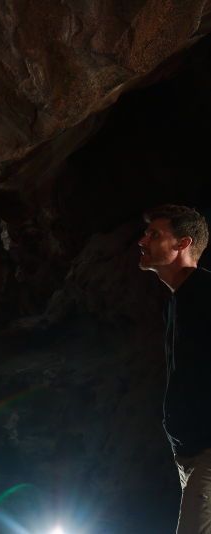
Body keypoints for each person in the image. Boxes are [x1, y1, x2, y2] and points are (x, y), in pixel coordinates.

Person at [137, 204, 211, 533]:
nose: (143, 240)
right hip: (189, 455)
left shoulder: (206, 292)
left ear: (183, 243)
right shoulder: (177, 302)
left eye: (155, 234)